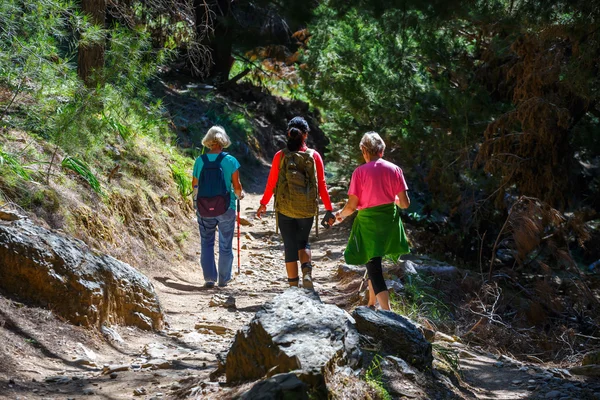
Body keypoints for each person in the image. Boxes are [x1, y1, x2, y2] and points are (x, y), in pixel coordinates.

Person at [256, 116, 335, 290]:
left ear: (288, 134)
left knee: (290, 246)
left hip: (284, 207)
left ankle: (293, 287)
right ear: (305, 135)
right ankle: (307, 274)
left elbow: (272, 183)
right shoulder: (314, 156)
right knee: (303, 242)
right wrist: (329, 209)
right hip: (306, 208)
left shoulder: (280, 156)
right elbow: (322, 184)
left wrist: (263, 203)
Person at [335, 132, 410, 310]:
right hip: (389, 222)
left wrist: (340, 214)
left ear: (364, 150)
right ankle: (370, 303)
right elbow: (405, 204)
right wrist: (392, 200)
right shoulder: (395, 169)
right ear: (382, 150)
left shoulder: (359, 172)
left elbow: (352, 207)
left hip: (369, 224)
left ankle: (388, 312)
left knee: (374, 267)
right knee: (373, 261)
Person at [192, 126, 244, 288]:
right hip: (226, 207)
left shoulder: (200, 161)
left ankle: (209, 278)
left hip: (204, 207)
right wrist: (239, 195)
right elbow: (237, 187)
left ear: (208, 141)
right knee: (225, 244)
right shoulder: (230, 161)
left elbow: (195, 185)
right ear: (224, 140)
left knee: (206, 242)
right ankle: (223, 279)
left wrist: (196, 203)